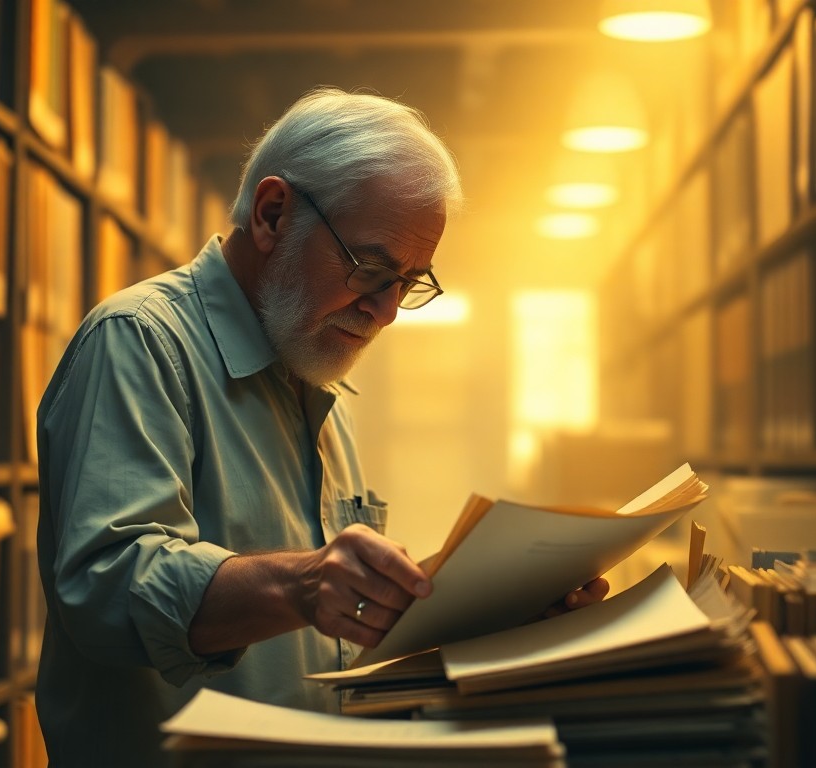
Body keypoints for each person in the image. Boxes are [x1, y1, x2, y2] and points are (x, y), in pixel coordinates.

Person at [34, 87, 608, 767]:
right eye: (369, 268)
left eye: (410, 281)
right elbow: (103, 589)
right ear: (273, 214)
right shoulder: (139, 342)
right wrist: (301, 583)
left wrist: (487, 616)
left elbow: (329, 629)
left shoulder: (317, 375)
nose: (386, 311)